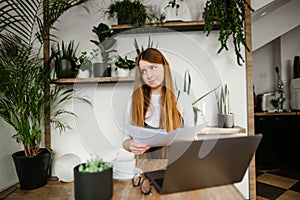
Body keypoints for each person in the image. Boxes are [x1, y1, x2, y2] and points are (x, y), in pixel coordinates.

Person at [122, 48, 194, 158]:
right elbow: (125, 140)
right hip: (145, 169)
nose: (149, 75)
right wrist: (131, 145)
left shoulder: (182, 98)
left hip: (177, 167)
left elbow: (191, 138)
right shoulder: (134, 100)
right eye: (143, 71)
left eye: (152, 68)